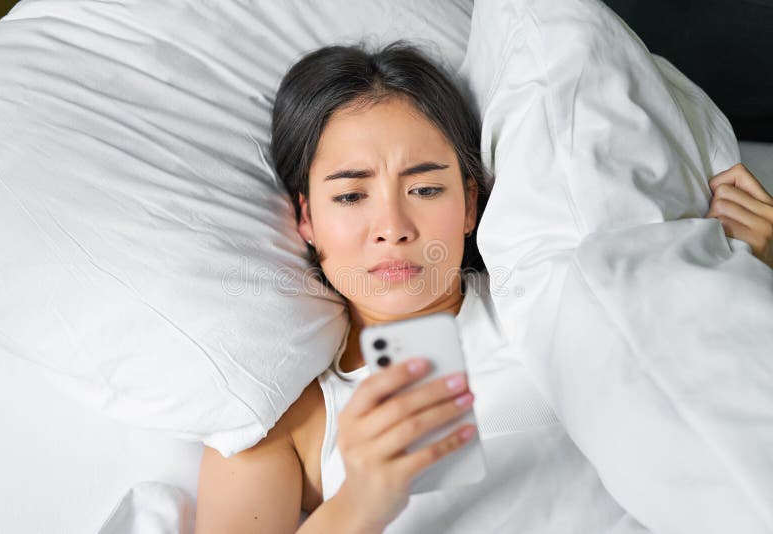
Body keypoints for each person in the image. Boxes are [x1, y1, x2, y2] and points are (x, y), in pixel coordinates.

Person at [194, 41, 773, 533]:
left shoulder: (554, 300)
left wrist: (749, 275)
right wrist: (360, 502)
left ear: (470, 202)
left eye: (425, 190)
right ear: (307, 219)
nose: (392, 228)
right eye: (350, 195)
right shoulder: (273, 422)